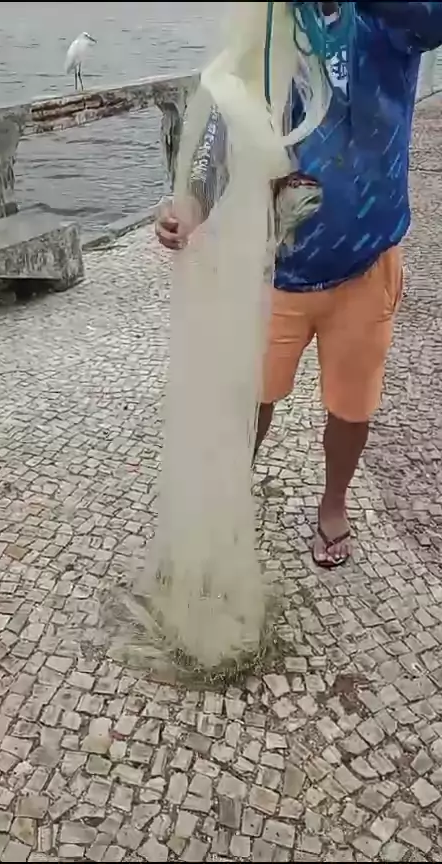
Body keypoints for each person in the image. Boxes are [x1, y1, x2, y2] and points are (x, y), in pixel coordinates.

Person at [155, 2, 442, 568]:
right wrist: (191, 203)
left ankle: (334, 503)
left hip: (366, 262)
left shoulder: (387, 21)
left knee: (352, 406)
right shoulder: (266, 27)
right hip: (278, 268)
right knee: (252, 397)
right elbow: (224, 121)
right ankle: (229, 494)